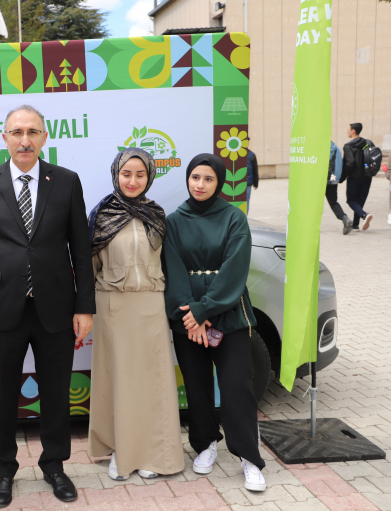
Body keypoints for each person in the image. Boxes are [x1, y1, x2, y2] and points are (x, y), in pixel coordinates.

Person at [0, 105, 96, 508]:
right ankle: (3, 470)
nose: (25, 140)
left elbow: (80, 247)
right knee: (2, 395)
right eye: (17, 132)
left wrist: (85, 306)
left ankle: (54, 465)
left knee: (56, 392)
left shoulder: (66, 181)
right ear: (4, 137)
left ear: (44, 137)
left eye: (33, 132)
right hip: (1, 308)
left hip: (56, 307)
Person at [163, 154, 267, 493]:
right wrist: (191, 317)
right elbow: (173, 270)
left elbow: (235, 269)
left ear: (219, 182)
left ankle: (249, 457)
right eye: (195, 177)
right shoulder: (174, 221)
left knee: (237, 388)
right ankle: (205, 443)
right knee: (196, 387)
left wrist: (203, 311)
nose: (200, 184)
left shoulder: (234, 217)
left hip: (228, 316)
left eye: (208, 179)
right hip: (187, 320)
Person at [86, 148, 185, 481]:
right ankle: (120, 451)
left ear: (149, 177)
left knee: (153, 382)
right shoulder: (101, 216)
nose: (132, 181)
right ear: (116, 174)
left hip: (151, 306)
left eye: (140, 174)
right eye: (126, 174)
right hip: (112, 305)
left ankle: (154, 454)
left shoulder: (156, 215)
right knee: (118, 382)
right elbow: (89, 267)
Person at [341, 122, 373, 231]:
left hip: (354, 177)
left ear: (353, 131)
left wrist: (344, 176)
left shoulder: (348, 146)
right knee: (359, 200)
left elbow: (349, 163)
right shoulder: (369, 143)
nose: (347, 131)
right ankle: (355, 224)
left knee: (351, 200)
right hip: (367, 177)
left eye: (348, 129)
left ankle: (364, 215)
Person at [327, 141, 353, 234]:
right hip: (333, 178)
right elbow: (340, 163)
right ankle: (344, 218)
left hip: (320, 180)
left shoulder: (319, 148)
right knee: (333, 202)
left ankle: (310, 225)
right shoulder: (337, 149)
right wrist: (338, 178)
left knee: (315, 203)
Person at [246, 147, 258, 214]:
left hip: (236, 182)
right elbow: (255, 170)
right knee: (246, 201)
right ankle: (245, 217)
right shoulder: (251, 154)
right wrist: (255, 183)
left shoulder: (234, 152)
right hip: (248, 182)